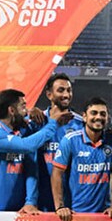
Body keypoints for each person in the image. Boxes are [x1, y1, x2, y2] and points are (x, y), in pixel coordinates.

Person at [0, 89, 68, 213]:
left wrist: (30, 201)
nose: (26, 111)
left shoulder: (23, 131)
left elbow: (31, 169)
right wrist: (53, 123)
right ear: (11, 110)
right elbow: (26, 146)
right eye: (23, 106)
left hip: (20, 210)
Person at [51, 97, 112, 221]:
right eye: (94, 113)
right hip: (74, 214)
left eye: (103, 114)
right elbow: (57, 173)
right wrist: (60, 206)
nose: (98, 117)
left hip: (104, 215)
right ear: (84, 117)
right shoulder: (70, 140)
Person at [36, 73, 84, 212]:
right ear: (49, 94)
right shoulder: (37, 121)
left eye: (69, 90)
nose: (66, 95)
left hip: (70, 198)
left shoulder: (80, 124)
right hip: (40, 196)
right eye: (61, 90)